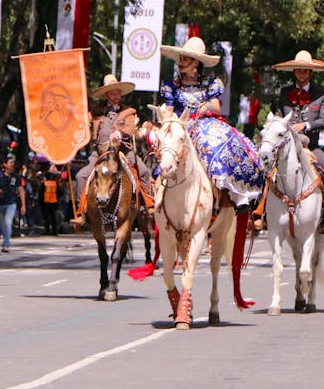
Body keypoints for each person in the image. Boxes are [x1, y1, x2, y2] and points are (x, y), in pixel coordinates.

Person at [158, 36, 264, 308]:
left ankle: (230, 194)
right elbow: (169, 111)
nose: (182, 62)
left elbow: (216, 108)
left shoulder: (211, 83)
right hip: (180, 127)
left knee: (220, 145)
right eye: (181, 58)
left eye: (186, 59)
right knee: (162, 150)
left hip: (203, 125)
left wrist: (201, 109)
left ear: (197, 63)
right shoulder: (170, 85)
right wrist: (167, 119)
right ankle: (154, 197)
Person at [269, 50, 324, 238]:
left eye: (305, 71)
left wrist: (306, 125)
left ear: (310, 72)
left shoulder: (321, 94)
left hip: (311, 146)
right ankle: (261, 212)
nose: (301, 74)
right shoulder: (284, 93)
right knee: (265, 170)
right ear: (294, 71)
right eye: (298, 70)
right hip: (286, 146)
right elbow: (277, 116)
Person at [72, 75, 152, 226]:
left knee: (143, 171)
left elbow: (129, 128)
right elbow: (83, 124)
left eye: (118, 93)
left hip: (122, 151)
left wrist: (120, 134)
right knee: (81, 176)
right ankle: (82, 210)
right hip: (101, 153)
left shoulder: (129, 111)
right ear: (107, 95)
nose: (117, 96)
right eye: (113, 93)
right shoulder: (96, 112)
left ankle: (148, 204)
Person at [0, 155, 26, 252]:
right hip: (0, 204)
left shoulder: (16, 177)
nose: (12, 165)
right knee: (2, 225)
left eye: (13, 163)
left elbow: (21, 191)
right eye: (10, 163)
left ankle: (6, 244)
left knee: (8, 222)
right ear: (5, 165)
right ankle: (5, 238)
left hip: (11, 204)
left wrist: (23, 205)